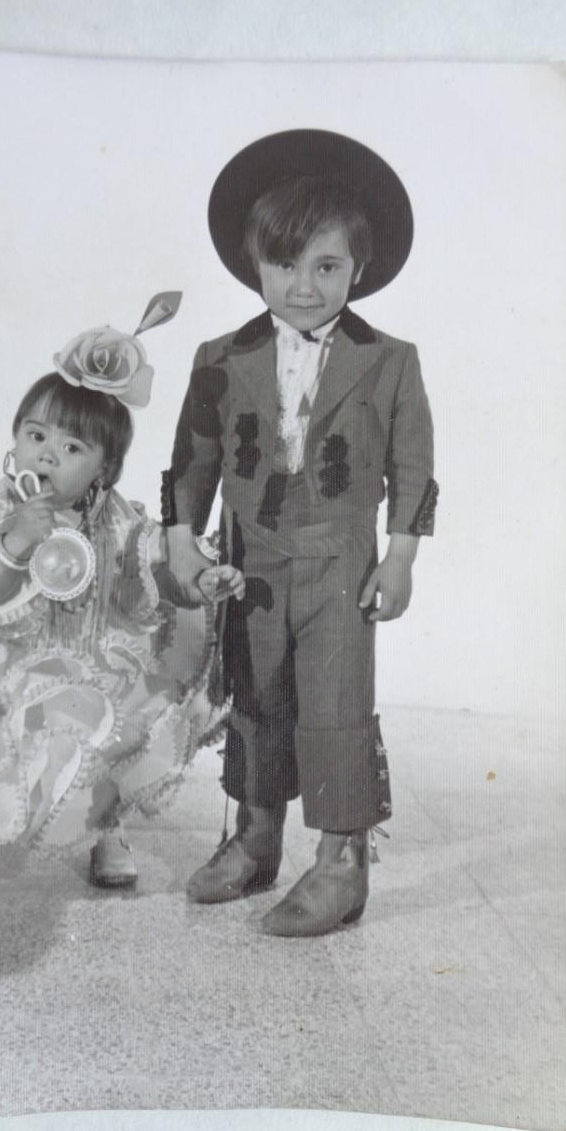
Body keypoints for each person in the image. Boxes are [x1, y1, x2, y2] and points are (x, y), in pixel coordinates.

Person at [163, 130, 438, 937]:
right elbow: (192, 459)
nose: (304, 286)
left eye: (326, 267)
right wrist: (181, 540)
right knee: (256, 699)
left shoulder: (389, 361)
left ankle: (342, 862)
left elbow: (414, 465)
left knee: (334, 705)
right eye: (285, 265)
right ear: (255, 264)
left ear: (359, 267)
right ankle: (255, 840)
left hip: (340, 562)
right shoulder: (220, 358)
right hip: (249, 563)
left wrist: (400, 556)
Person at [0, 299, 244, 895]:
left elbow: (153, 574)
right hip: (5, 658)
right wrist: (18, 540)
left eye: (73, 448)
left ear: (105, 470)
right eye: (36, 435)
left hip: (84, 658)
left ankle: (106, 827)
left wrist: (196, 581)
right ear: (16, 439)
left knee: (113, 724)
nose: (47, 453)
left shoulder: (115, 520)